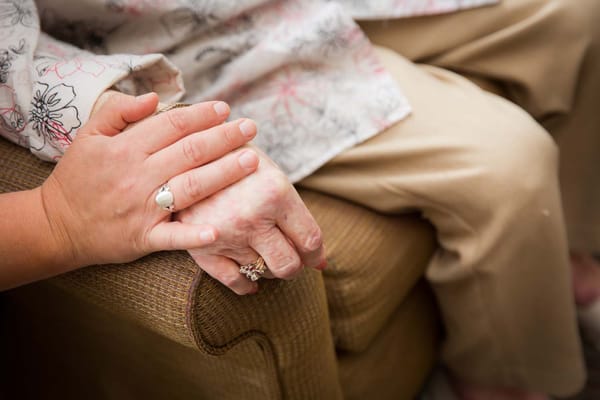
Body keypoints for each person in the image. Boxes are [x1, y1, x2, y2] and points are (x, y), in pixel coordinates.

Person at [1, 0, 599, 399]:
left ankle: (567, 256)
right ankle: (504, 380)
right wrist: (161, 148)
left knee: (575, 13)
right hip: (170, 48)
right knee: (508, 163)